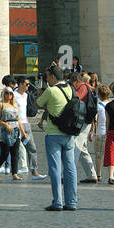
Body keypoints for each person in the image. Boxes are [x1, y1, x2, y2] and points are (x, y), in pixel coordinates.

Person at [38, 65, 80, 212]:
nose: (47, 80)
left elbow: (37, 103)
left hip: (53, 134)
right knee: (70, 168)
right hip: (69, 134)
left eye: (48, 77)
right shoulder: (70, 88)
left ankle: (57, 202)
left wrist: (42, 88)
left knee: (55, 169)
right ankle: (72, 202)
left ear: (53, 77)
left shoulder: (51, 90)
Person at [13, 76, 46, 179]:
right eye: (26, 84)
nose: (28, 86)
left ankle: (34, 172)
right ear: (20, 84)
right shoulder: (13, 95)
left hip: (26, 124)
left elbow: (25, 110)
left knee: (32, 148)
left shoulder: (26, 96)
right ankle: (12, 172)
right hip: (16, 125)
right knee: (14, 149)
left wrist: (27, 120)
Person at [72, 73, 99, 183]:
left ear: (77, 80)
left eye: (72, 82)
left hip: (83, 122)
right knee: (82, 149)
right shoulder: (84, 86)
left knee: (75, 146)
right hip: (85, 121)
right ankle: (92, 175)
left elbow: (76, 101)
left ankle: (68, 174)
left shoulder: (82, 87)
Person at [0, 86, 24, 181]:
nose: (9, 95)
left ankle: (14, 173)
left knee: (15, 153)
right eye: (6, 93)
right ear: (3, 94)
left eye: (11, 93)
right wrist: (5, 125)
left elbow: (18, 119)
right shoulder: (0, 104)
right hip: (5, 131)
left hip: (16, 130)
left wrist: (23, 132)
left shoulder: (15, 105)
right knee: (5, 153)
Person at [103, 85, 114, 185]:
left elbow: (107, 121)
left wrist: (106, 132)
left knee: (112, 154)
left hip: (112, 131)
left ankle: (111, 176)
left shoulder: (109, 106)